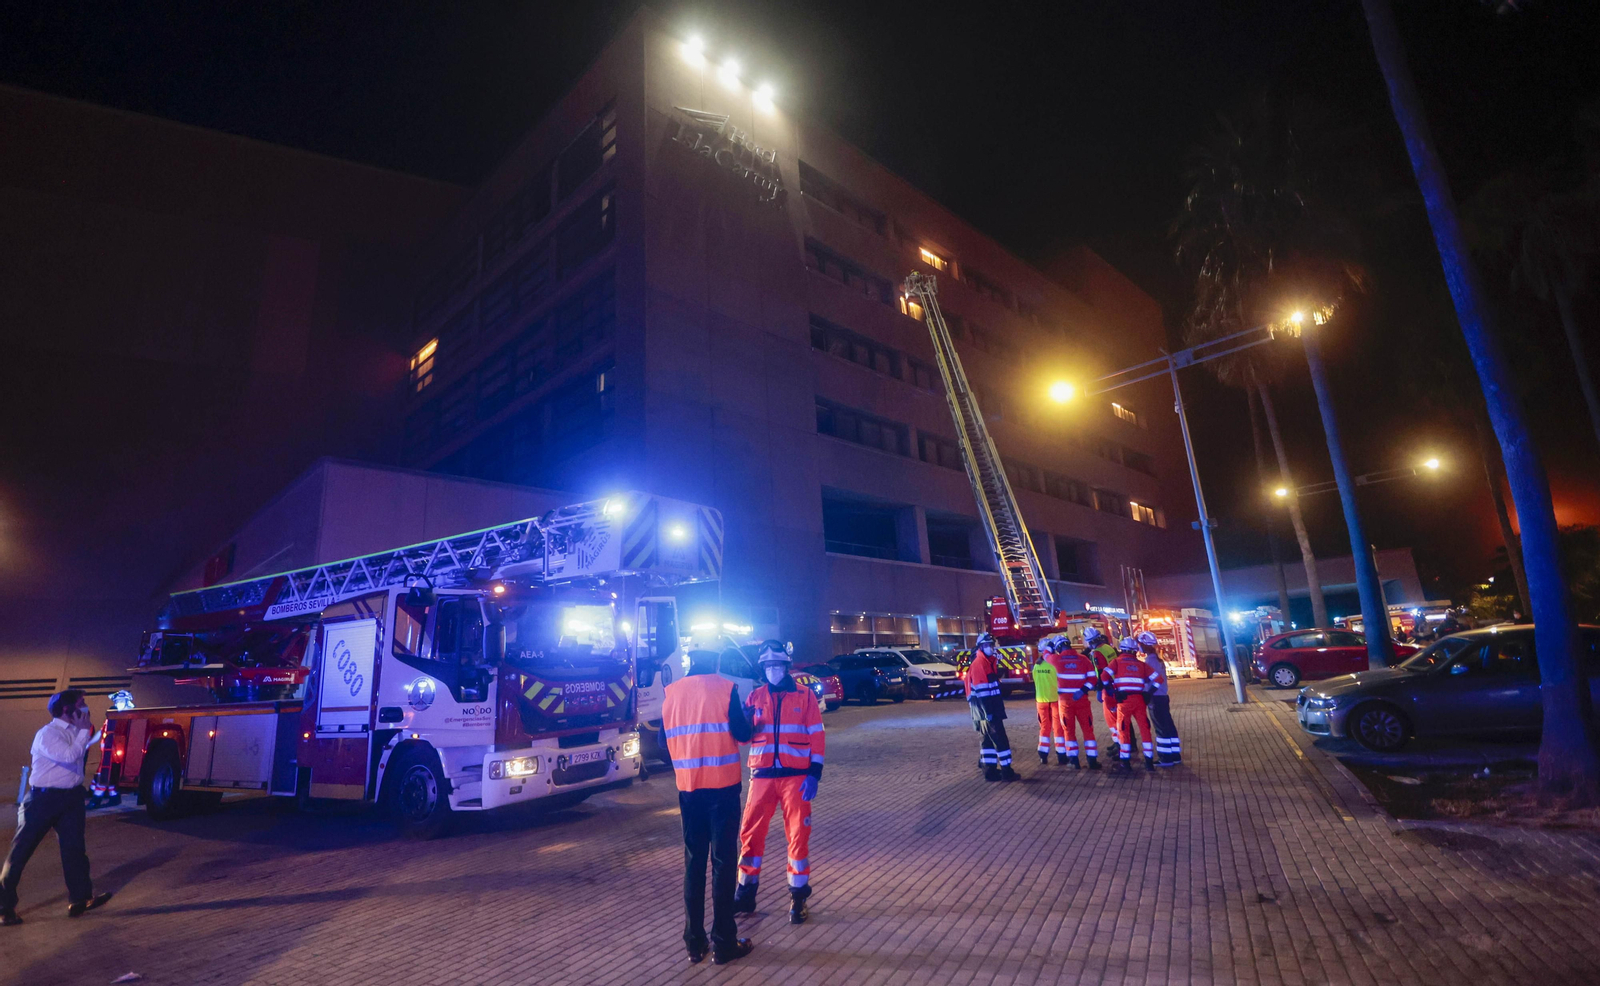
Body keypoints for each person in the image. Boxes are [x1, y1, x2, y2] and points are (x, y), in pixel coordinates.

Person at [661, 650, 754, 965]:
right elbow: (742, 734)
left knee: (694, 864)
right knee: (724, 863)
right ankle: (724, 943)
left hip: (688, 790)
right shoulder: (726, 688)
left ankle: (694, 943)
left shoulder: (671, 693)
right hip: (723, 789)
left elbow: (663, 741)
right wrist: (752, 718)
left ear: (689, 661)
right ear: (715, 661)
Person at [2, 690, 114, 926]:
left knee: (74, 850)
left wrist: (90, 733)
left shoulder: (76, 731)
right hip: (43, 800)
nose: (85, 708)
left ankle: (81, 899)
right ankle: (4, 907)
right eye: (81, 704)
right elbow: (69, 755)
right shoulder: (47, 734)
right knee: (20, 853)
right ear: (67, 709)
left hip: (71, 798)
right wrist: (85, 732)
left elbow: (80, 753)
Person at [733, 640, 825, 925]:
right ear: (763, 669)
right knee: (750, 836)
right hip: (761, 778)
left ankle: (798, 899)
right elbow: (743, 738)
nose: (773, 669)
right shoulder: (755, 696)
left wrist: (815, 773)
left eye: (777, 665)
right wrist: (744, 722)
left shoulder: (805, 696)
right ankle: (745, 895)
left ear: (786, 666)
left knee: (798, 838)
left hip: (795, 779)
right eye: (768, 666)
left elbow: (817, 736)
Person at [965, 633, 1017, 781]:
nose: (990, 648)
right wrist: (989, 712)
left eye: (991, 645)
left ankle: (990, 771)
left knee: (987, 741)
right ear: (981, 647)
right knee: (1000, 740)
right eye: (987, 645)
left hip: (982, 711)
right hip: (987, 710)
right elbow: (983, 692)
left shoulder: (986, 662)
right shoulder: (980, 664)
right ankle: (1007, 771)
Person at [1101, 638, 1159, 771]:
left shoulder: (1116, 662)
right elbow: (1158, 679)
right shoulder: (1141, 665)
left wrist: (1112, 691)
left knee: (1123, 730)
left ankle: (1125, 762)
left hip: (1124, 701)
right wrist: (1149, 693)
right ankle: (1149, 762)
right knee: (1145, 729)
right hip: (1139, 700)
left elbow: (1104, 677)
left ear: (1122, 649)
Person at [1049, 634, 1100, 769]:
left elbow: (1045, 655)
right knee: (1088, 730)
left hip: (1065, 702)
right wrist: (1082, 690)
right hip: (1082, 700)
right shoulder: (1083, 659)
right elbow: (1093, 680)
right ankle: (1092, 760)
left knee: (1068, 731)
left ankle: (1074, 761)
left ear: (1058, 648)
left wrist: (1049, 648)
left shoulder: (1055, 659)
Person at [1136, 631, 1182, 766]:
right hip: (1162, 696)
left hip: (1156, 698)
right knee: (1169, 727)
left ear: (1144, 645)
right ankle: (1175, 755)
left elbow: (1154, 680)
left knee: (1161, 729)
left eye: (1139, 644)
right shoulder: (1156, 659)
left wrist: (1147, 693)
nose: (1139, 646)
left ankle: (1165, 758)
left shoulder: (1150, 660)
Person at [1084, 627, 1121, 751]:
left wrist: (1099, 690)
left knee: (1111, 718)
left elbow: (1101, 672)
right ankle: (1123, 742)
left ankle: (1119, 744)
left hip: (1107, 688)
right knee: (1119, 715)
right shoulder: (1108, 648)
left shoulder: (1097, 653)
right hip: (1116, 684)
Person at [1031, 641, 1067, 764]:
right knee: (1058, 728)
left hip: (1040, 700)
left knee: (1044, 728)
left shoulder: (1036, 665)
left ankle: (1043, 754)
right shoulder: (1054, 664)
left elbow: (1035, 681)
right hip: (1055, 699)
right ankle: (1061, 755)